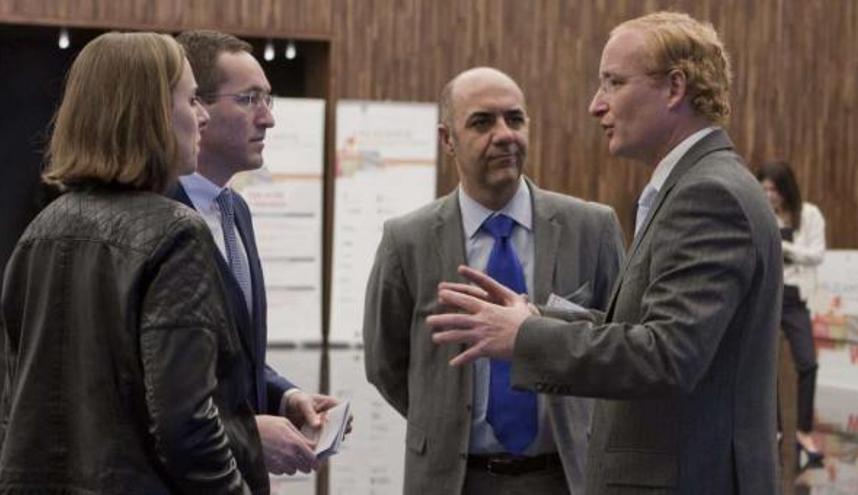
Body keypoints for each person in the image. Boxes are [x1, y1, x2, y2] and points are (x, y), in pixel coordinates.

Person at [430, 12, 783, 494]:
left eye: (613, 83)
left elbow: (667, 355)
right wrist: (537, 319)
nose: (597, 105)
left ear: (675, 88)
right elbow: (646, 331)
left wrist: (528, 338)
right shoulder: (696, 186)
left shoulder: (708, 195)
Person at [0, 32, 267, 493]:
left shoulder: (38, 234)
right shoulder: (176, 234)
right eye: (190, 100)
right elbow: (186, 424)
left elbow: (17, 404)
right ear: (151, 116)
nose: (201, 116)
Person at [363, 67, 624, 494]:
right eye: (482, 122)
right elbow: (384, 362)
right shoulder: (406, 241)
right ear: (448, 140)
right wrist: (442, 421)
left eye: (515, 119)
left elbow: (623, 339)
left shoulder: (591, 228)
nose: (504, 134)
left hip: (566, 477)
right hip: (454, 481)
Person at [172, 30, 344, 475]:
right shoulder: (155, 216)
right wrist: (248, 434)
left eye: (269, 100)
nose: (267, 119)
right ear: (198, 107)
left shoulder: (235, 210)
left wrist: (284, 397)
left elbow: (230, 357)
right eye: (250, 100)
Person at [757, 160, 826, 466]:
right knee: (764, 362)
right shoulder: (759, 214)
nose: (768, 194)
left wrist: (784, 249)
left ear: (786, 189)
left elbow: (817, 255)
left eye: (774, 188)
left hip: (796, 298)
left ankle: (804, 431)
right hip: (767, 296)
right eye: (764, 187)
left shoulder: (809, 215)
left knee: (808, 363)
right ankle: (773, 430)